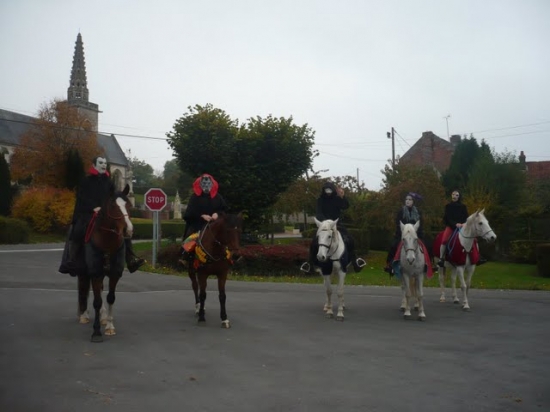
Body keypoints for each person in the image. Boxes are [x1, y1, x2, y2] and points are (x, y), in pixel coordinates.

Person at [59, 156, 145, 274]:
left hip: (105, 214)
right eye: (100, 163)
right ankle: (72, 260)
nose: (103, 165)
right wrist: (93, 208)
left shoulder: (109, 182)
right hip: (88, 213)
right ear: (94, 165)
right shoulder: (86, 181)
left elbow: (113, 197)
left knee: (122, 228)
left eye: (105, 163)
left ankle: (130, 258)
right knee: (78, 230)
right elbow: (81, 198)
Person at [300, 181, 366, 274]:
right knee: (314, 241)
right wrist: (325, 222)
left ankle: (355, 261)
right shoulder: (320, 200)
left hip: (336, 224)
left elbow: (345, 206)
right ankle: (309, 264)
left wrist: (342, 197)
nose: (328, 192)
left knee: (349, 239)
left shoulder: (337, 199)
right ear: (324, 190)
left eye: (330, 190)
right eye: (326, 190)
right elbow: (319, 213)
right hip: (324, 225)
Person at [180, 173, 228, 265]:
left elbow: (224, 209)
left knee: (229, 235)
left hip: (214, 225)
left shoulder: (218, 197)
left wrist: (217, 214)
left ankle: (231, 257)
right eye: (204, 184)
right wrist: (201, 216)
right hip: (198, 225)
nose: (206, 186)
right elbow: (189, 213)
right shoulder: (194, 197)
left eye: (208, 183)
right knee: (190, 237)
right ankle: (184, 257)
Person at [384, 192, 425, 275]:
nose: (407, 201)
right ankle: (390, 264)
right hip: (403, 235)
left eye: (410, 199)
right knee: (393, 246)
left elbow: (420, 225)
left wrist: (417, 234)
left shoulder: (418, 212)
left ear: (413, 201)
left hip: (414, 236)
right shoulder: (401, 211)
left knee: (427, 245)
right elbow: (398, 224)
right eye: (406, 199)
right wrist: (403, 233)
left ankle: (428, 265)